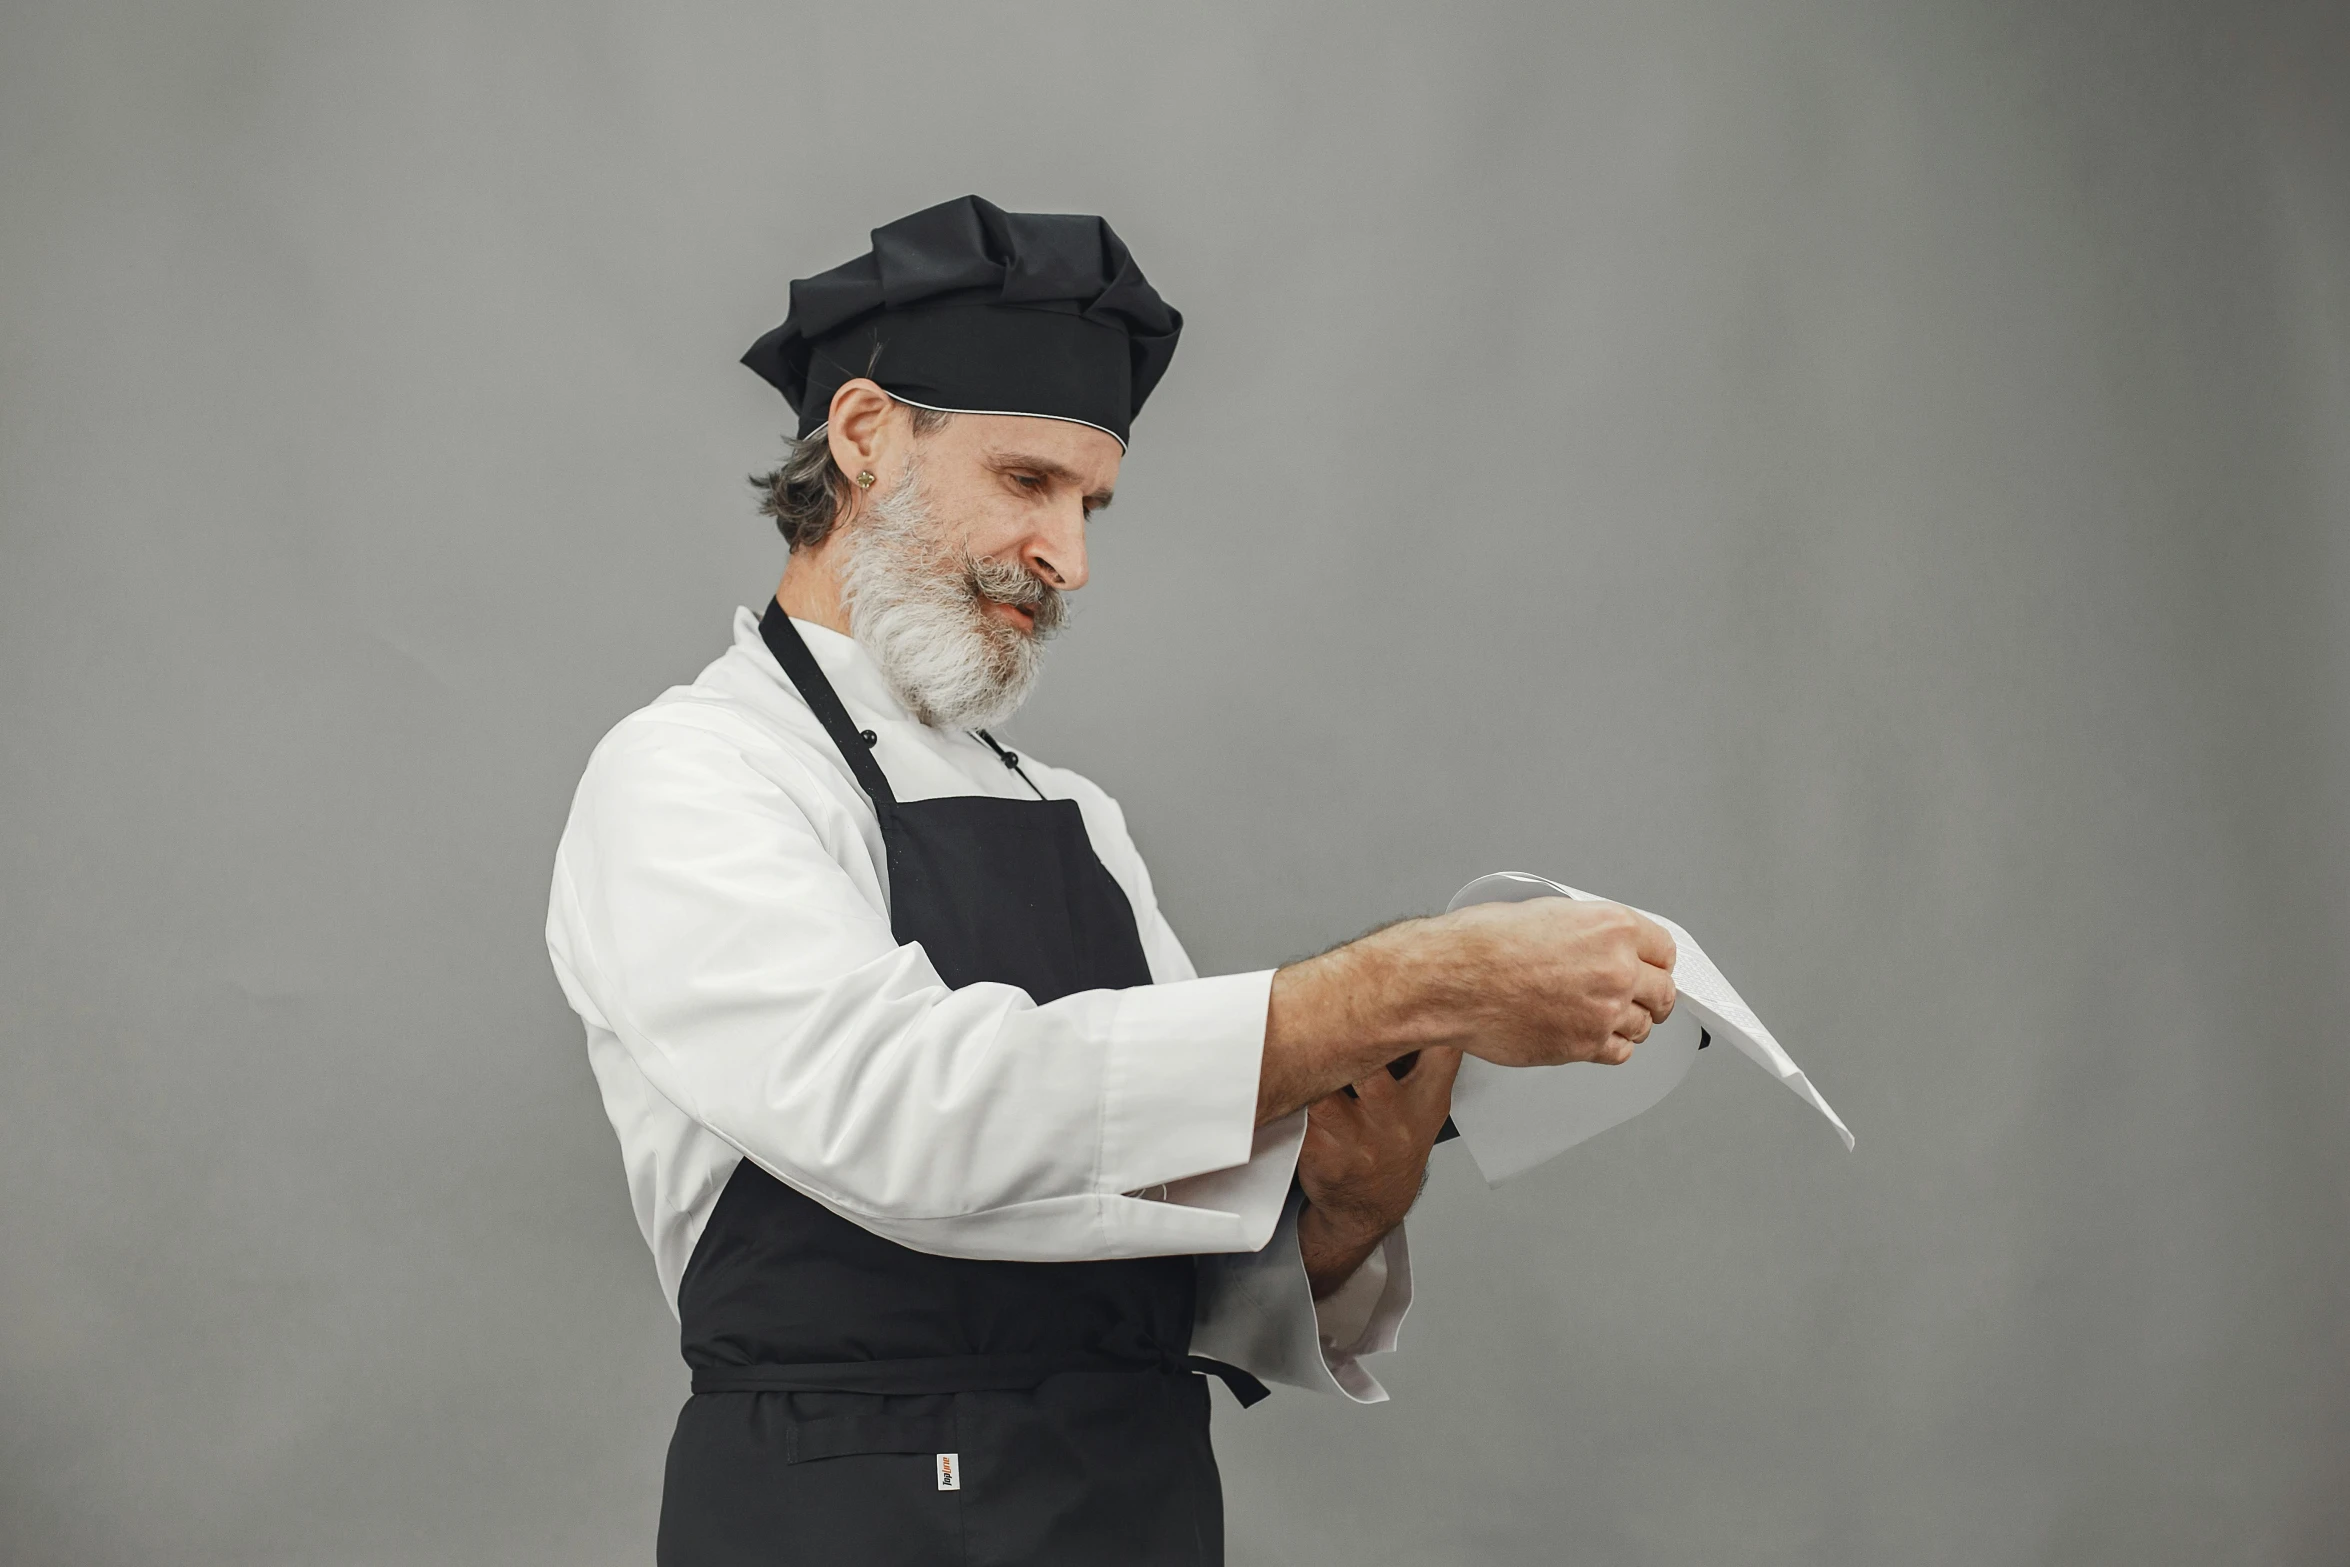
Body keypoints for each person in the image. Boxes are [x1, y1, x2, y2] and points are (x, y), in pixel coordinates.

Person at [546, 195, 1678, 1567]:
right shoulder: (690, 774)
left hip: (1131, 1507)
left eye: (1090, 505)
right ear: (861, 435)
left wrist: (1339, 1210)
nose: (1069, 559)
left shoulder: (1072, 812)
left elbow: (1152, 1245)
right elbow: (916, 1115)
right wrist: (1399, 981)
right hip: (849, 1515)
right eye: (1028, 482)